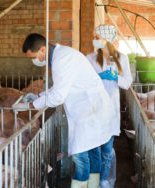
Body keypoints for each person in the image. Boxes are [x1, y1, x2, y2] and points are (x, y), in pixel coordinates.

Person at [13, 33, 114, 188]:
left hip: (89, 111)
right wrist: (38, 96)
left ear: (42, 50)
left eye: (33, 57)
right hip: (91, 108)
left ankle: (81, 185)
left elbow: (58, 96)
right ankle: (93, 185)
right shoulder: (62, 56)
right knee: (92, 152)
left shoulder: (62, 60)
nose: (34, 61)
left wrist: (30, 106)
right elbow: (59, 88)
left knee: (81, 157)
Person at [87, 24, 132, 188]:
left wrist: (116, 78)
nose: (94, 40)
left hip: (111, 109)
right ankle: (94, 179)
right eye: (94, 37)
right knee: (93, 147)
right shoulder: (90, 58)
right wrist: (98, 76)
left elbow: (127, 84)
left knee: (107, 147)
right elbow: (85, 81)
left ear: (107, 39)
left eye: (97, 37)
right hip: (93, 108)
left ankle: (104, 180)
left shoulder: (122, 58)